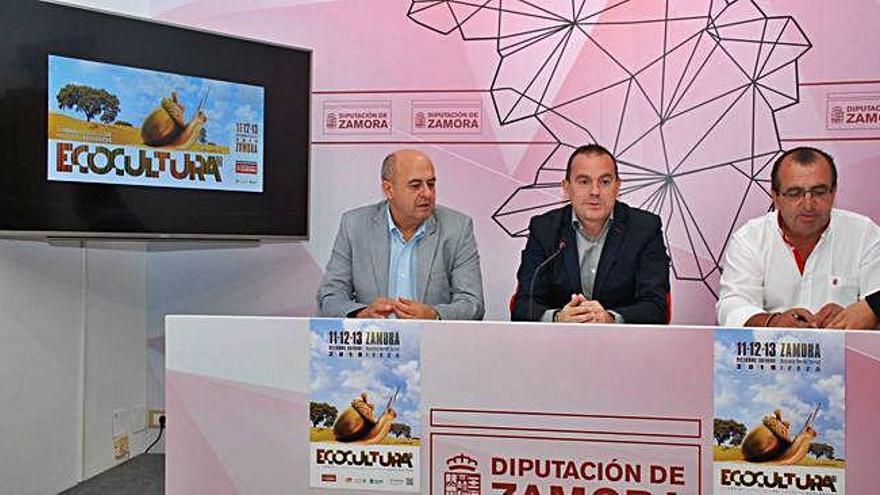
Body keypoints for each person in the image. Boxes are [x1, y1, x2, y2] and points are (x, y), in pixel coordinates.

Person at [717, 146, 880, 328]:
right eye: (795, 193)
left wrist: (855, 316)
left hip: (848, 353)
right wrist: (773, 323)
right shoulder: (750, 239)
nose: (808, 205)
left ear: (833, 192)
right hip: (773, 353)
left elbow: (875, 298)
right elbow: (732, 306)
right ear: (776, 197)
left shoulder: (864, 234)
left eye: (819, 192)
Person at [316, 149, 484, 320]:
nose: (427, 193)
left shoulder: (457, 228)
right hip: (374, 342)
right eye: (415, 185)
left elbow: (472, 303)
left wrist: (434, 316)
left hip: (433, 343)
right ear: (389, 189)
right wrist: (361, 314)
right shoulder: (354, 226)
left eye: (431, 184)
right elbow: (330, 296)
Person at [511, 144, 670, 324]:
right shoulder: (544, 229)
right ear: (566, 187)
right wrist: (558, 318)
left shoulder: (644, 229)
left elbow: (656, 308)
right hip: (559, 345)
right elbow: (523, 305)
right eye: (584, 181)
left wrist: (609, 319)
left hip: (624, 346)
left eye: (605, 181)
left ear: (618, 186)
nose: (595, 191)